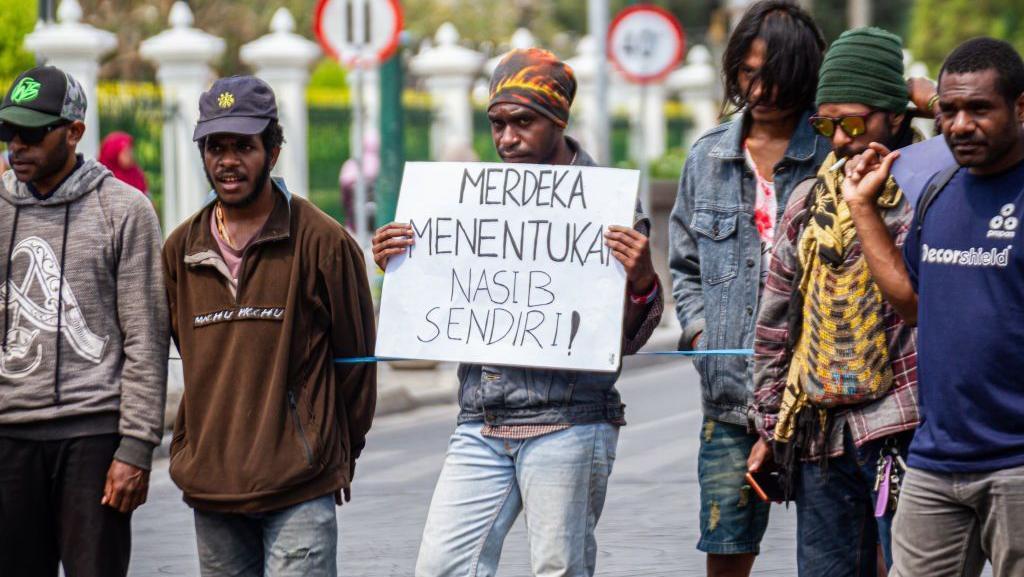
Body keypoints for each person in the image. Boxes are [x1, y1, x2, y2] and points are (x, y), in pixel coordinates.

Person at [373, 48, 663, 577]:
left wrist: (641, 281)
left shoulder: (609, 204)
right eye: (497, 124)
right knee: (440, 566)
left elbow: (622, 339)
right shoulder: (472, 203)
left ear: (558, 120)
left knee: (558, 569)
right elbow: (446, 298)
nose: (507, 139)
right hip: (481, 420)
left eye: (523, 123)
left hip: (569, 422)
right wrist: (398, 260)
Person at [162, 75, 377, 576]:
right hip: (212, 487)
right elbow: (170, 355)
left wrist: (334, 451)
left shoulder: (322, 241)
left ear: (273, 151)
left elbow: (356, 363)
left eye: (244, 146)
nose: (228, 161)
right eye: (216, 147)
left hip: (300, 487)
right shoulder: (179, 250)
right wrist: (191, 450)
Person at [749, 27, 941, 577]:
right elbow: (776, 321)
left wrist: (930, 95)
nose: (838, 140)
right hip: (819, 438)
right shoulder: (809, 201)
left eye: (853, 123)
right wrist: (771, 426)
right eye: (825, 125)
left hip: (906, 428)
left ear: (895, 118)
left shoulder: (936, 188)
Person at [844, 37, 1024, 577]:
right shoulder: (940, 192)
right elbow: (914, 305)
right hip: (936, 458)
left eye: (979, 109)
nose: (960, 125)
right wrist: (861, 208)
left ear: (1021, 108)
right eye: (948, 110)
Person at [667, 3, 828, 575]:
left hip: (824, 402)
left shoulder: (834, 155)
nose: (758, 89)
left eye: (774, 75)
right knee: (727, 550)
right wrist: (700, 334)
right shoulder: (707, 156)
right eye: (747, 73)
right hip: (730, 400)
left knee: (839, 552)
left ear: (805, 73)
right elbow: (683, 267)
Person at [0, 65, 169, 576]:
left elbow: (146, 335)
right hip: (8, 439)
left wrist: (136, 448)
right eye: (10, 133)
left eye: (32, 133)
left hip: (93, 439)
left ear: (73, 132)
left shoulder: (125, 210)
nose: (17, 146)